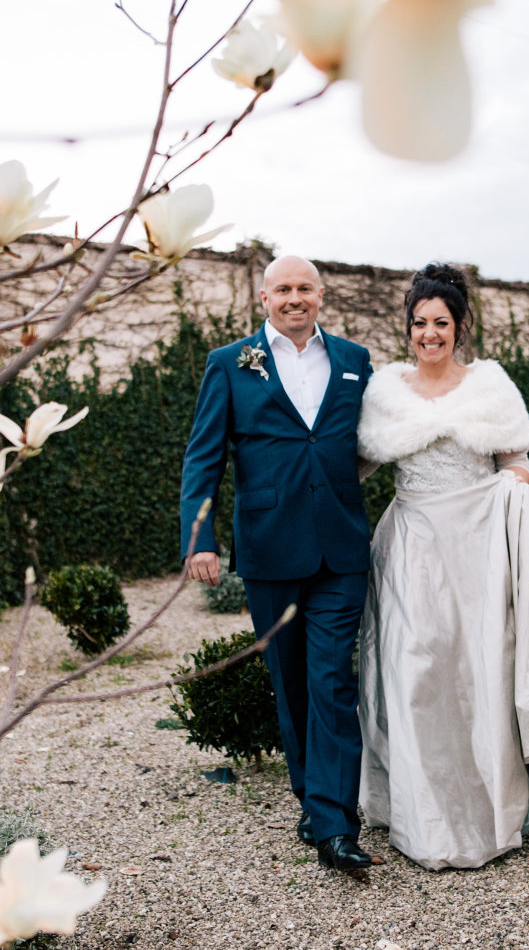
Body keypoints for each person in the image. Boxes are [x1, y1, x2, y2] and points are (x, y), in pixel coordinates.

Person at [355, 263, 529, 871]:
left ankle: (490, 806)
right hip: (411, 551)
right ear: (408, 328)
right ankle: (425, 813)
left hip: (478, 552)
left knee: (480, 671)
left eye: (441, 322)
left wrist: (511, 498)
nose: (429, 333)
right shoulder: (384, 394)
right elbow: (354, 468)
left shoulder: (490, 388)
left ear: (460, 326)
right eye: (419, 323)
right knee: (417, 671)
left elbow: (516, 465)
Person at [179, 254, 377, 872]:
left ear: (321, 295)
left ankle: (335, 825)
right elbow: (203, 457)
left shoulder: (354, 360)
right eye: (283, 289)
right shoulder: (230, 363)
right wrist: (200, 538)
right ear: (264, 298)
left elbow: (379, 434)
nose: (295, 298)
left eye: (305, 288)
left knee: (332, 681)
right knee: (290, 686)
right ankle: (312, 799)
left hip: (341, 547)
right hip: (270, 547)